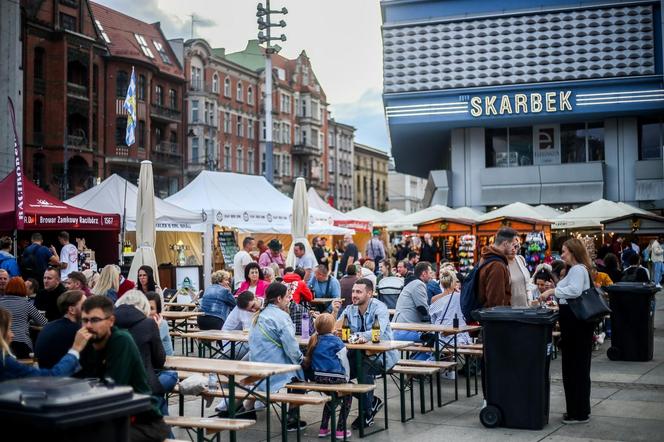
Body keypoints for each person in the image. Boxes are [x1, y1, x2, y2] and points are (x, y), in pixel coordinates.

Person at [77, 296, 170, 440]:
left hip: (144, 421)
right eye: (84, 320)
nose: (88, 325)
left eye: (95, 320)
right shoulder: (85, 342)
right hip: (110, 418)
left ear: (111, 321)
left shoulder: (121, 341)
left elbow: (115, 390)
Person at [538, 238, 595, 425]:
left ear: (573, 252)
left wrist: (551, 292)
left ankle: (577, 413)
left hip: (576, 327)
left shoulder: (578, 270)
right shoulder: (578, 269)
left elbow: (575, 291)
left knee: (574, 369)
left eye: (564, 251)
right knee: (577, 369)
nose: (561, 255)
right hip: (578, 327)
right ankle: (578, 410)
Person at [333, 278, 397, 430]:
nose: (354, 295)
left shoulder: (379, 308)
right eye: (353, 291)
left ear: (369, 293)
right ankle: (371, 401)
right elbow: (334, 328)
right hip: (358, 356)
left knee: (364, 369)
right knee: (338, 374)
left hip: (381, 357)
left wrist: (355, 336)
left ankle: (366, 413)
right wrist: (335, 311)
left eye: (358, 292)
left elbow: (378, 332)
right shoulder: (350, 309)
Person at [246, 282, 306, 430]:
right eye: (287, 297)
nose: (289, 299)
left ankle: (247, 407)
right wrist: (302, 360)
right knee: (301, 376)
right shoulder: (281, 317)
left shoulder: (260, 314)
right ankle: (292, 418)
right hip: (274, 369)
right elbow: (292, 349)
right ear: (279, 299)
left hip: (256, 367)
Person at [114, 290, 172, 418]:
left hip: (115, 386)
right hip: (143, 386)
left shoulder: (109, 323)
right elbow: (159, 361)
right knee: (171, 377)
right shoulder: (148, 324)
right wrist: (155, 330)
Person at [0, 306, 91, 381]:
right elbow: (49, 379)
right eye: (9, 329)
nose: (12, 334)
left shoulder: (50, 327)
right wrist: (75, 350)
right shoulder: (4, 361)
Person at [303, 313, 352, 439]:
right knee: (348, 393)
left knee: (333, 396)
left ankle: (323, 428)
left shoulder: (314, 339)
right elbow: (344, 360)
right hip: (335, 377)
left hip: (318, 377)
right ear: (332, 327)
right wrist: (346, 377)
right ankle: (341, 429)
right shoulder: (336, 341)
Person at [34, 290, 85, 368]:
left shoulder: (49, 326)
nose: (89, 308)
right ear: (72, 310)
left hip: (45, 375)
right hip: (64, 377)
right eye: (85, 305)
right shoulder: (77, 331)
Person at [0, 277, 48, 358]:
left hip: (3, 343)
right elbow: (44, 322)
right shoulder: (26, 304)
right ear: (23, 289)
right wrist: (29, 323)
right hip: (22, 344)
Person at [430, 269, 471, 347]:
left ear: (441, 283)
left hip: (440, 336)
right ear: (454, 282)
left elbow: (433, 319)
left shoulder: (434, 299)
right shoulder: (460, 296)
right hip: (458, 336)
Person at [393, 262, 432, 341]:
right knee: (434, 339)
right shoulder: (418, 284)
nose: (431, 276)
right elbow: (422, 308)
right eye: (430, 273)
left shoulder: (412, 283)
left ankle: (416, 353)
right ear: (424, 273)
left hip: (401, 327)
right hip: (404, 329)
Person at [478, 228, 516, 308]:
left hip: (486, 315)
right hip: (495, 317)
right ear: (505, 244)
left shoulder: (486, 257)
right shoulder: (497, 266)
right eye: (513, 244)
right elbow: (495, 303)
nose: (514, 248)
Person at [145, 291, 173, 356]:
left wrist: (157, 326)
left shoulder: (163, 324)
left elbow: (151, 344)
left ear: (158, 310)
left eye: (151, 308)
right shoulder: (144, 322)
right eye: (146, 307)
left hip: (166, 362)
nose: (148, 311)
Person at [507, 236, 531, 307]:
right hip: (510, 308)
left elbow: (527, 283)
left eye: (516, 246)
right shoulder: (501, 263)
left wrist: (530, 300)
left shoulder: (521, 259)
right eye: (511, 246)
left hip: (525, 305)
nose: (513, 249)